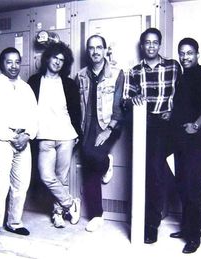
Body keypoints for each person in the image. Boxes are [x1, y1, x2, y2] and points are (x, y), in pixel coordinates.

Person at [124, 28, 182, 243]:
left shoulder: (173, 66)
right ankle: (148, 219)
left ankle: (151, 224)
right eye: (147, 42)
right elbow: (125, 99)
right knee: (149, 173)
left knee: (154, 171)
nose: (151, 46)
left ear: (160, 45)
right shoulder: (134, 71)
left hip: (166, 125)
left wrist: (173, 111)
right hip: (143, 124)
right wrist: (134, 100)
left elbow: (182, 94)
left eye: (155, 42)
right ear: (142, 46)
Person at [0, 47, 38, 241]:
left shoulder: (26, 88)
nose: (14, 66)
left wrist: (28, 134)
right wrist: (11, 137)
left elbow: (34, 115)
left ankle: (14, 223)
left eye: (16, 62)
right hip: (1, 140)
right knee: (1, 181)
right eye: (9, 62)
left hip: (24, 139)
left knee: (21, 182)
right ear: (1, 64)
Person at [170, 38, 201, 253]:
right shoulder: (181, 77)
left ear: (198, 54)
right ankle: (187, 227)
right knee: (182, 182)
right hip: (181, 136)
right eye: (182, 53)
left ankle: (194, 235)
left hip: (198, 135)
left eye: (189, 53)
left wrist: (196, 125)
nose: (185, 57)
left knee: (194, 185)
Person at [28, 42, 81, 228]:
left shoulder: (68, 83)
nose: (58, 62)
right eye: (55, 58)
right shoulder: (34, 81)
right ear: (47, 58)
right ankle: (70, 204)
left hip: (66, 135)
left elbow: (76, 111)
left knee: (62, 177)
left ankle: (58, 214)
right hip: (44, 136)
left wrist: (77, 134)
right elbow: (28, 110)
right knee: (46, 176)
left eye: (62, 60)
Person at [75, 34, 125, 232]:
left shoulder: (117, 73)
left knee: (95, 156)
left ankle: (106, 162)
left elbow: (119, 105)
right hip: (86, 126)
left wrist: (109, 128)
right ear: (88, 51)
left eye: (99, 47)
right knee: (89, 167)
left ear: (105, 50)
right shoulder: (81, 75)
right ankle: (97, 216)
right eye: (91, 48)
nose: (95, 51)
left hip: (109, 124)